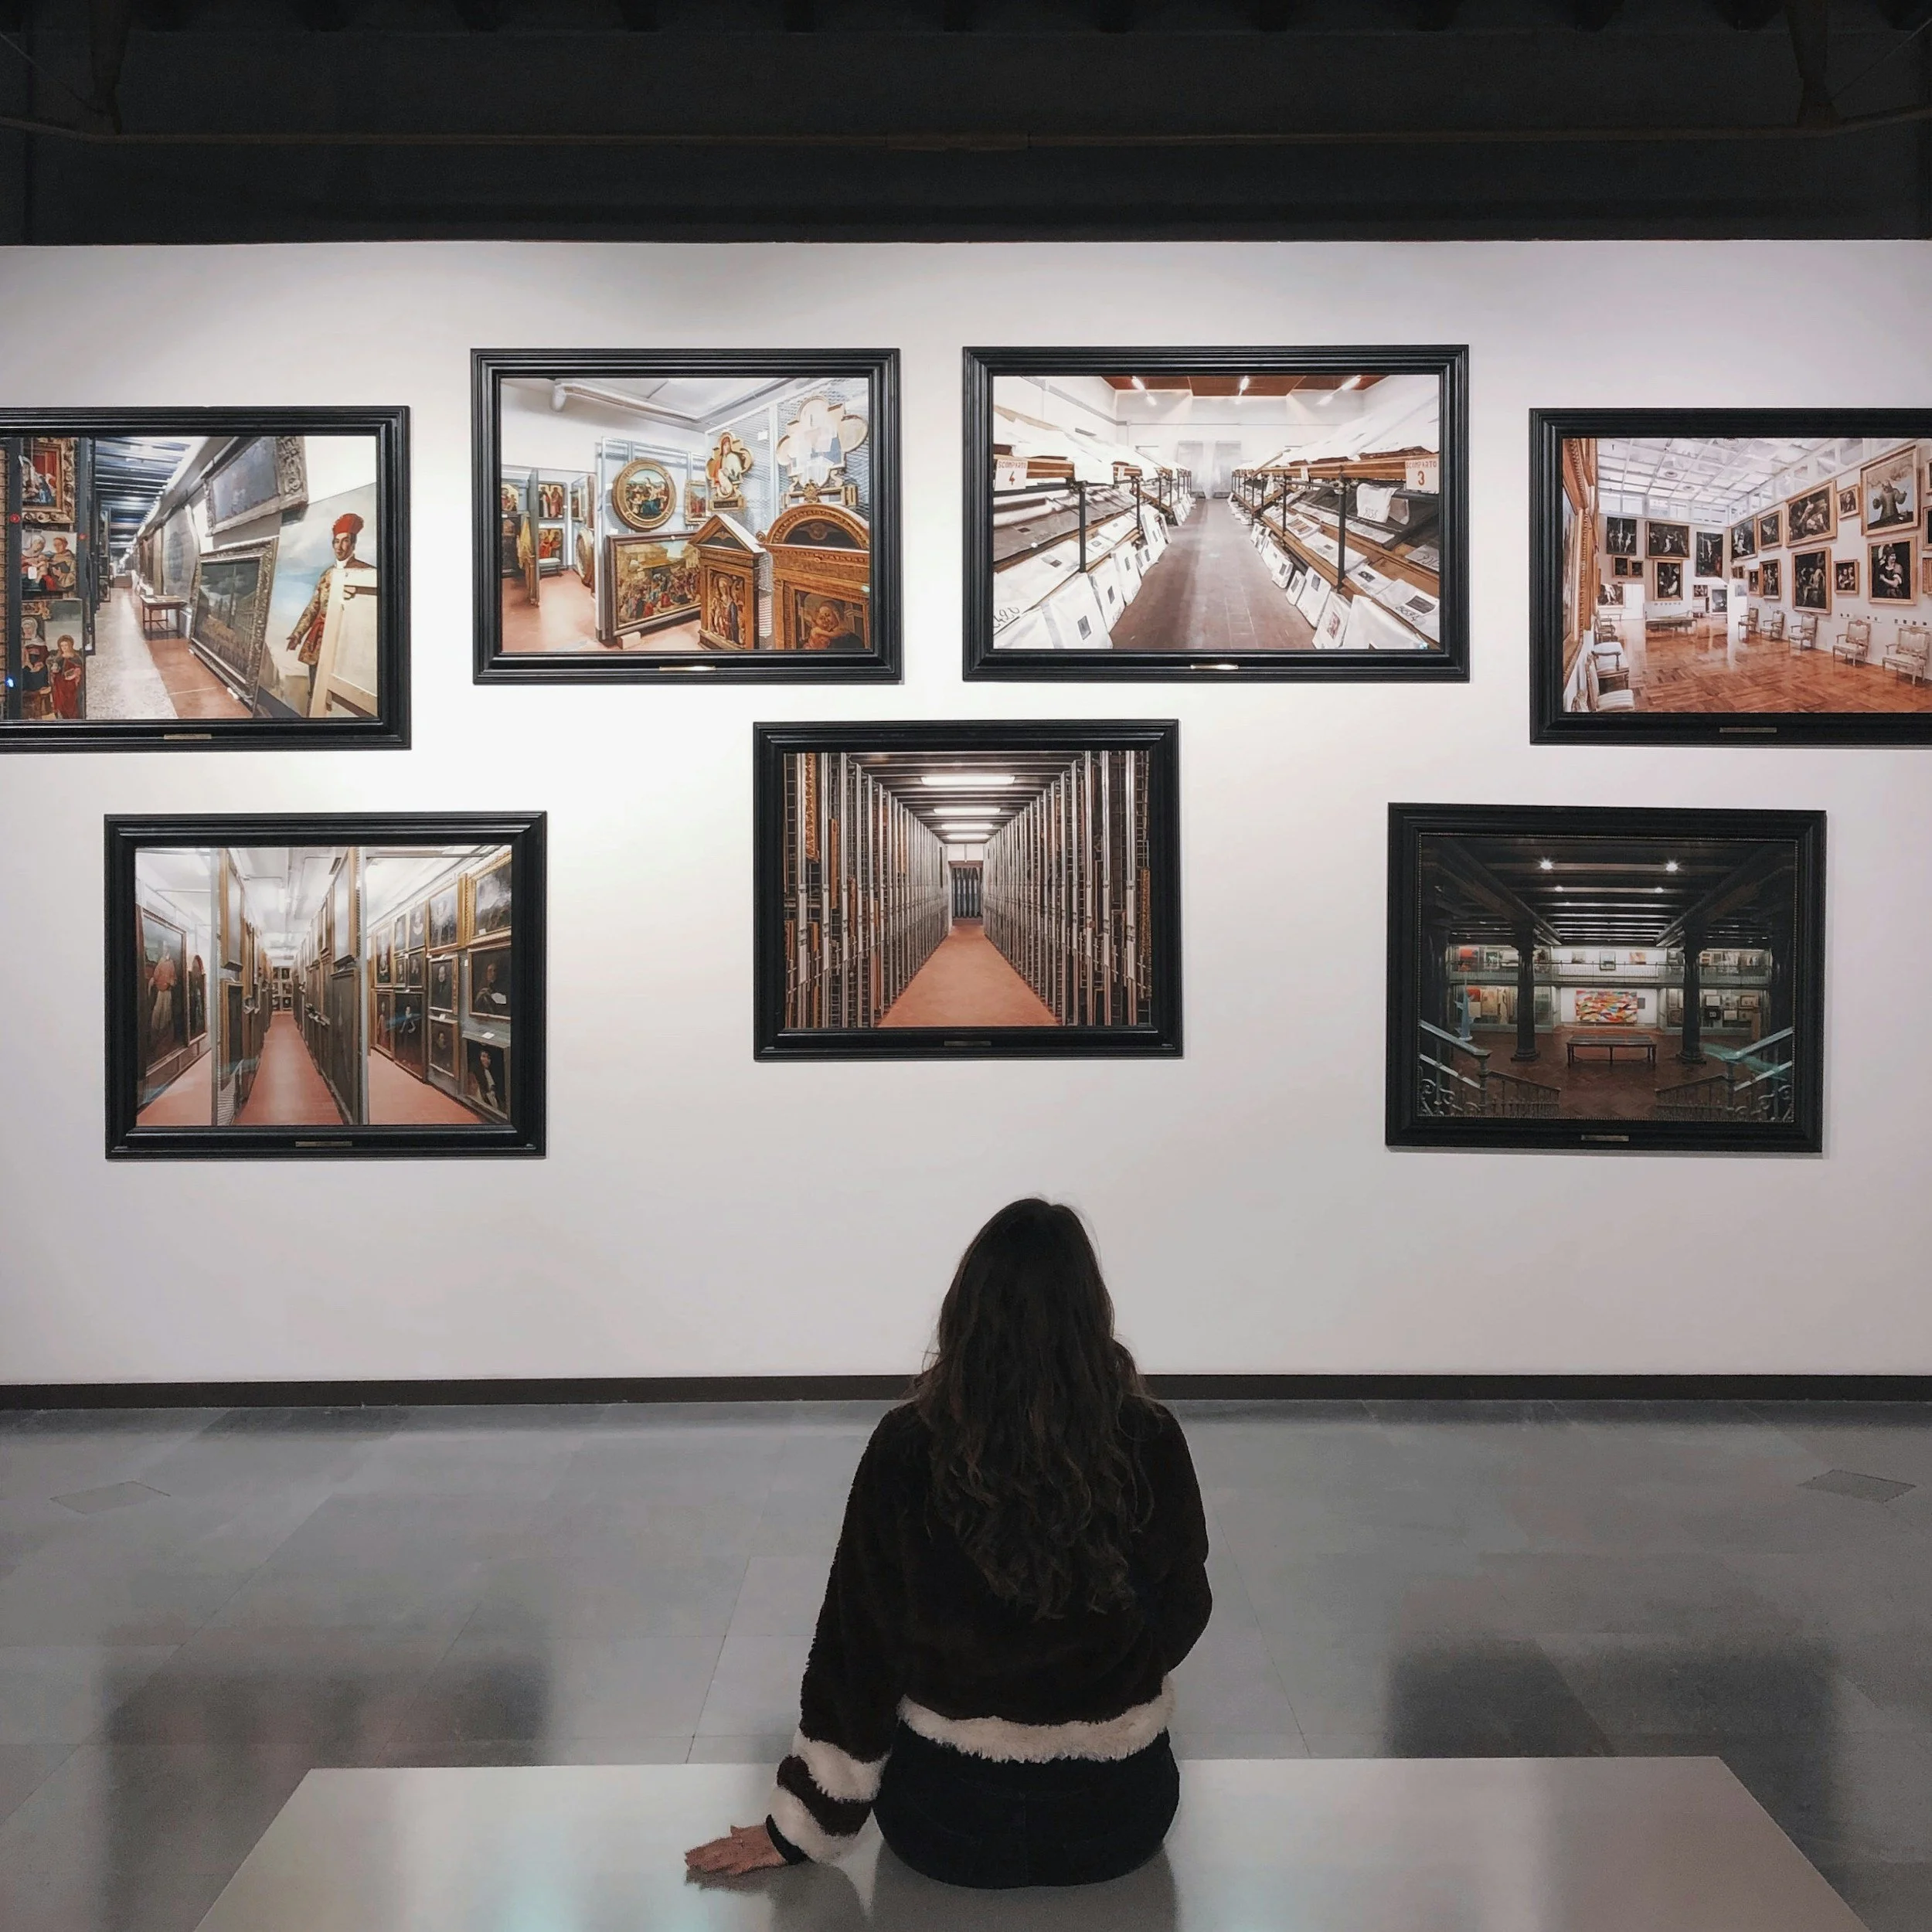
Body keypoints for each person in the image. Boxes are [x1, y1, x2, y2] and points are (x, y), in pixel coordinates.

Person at [685, 1198, 1210, 1891]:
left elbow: (858, 1650)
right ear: (1092, 1312)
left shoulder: (907, 1448)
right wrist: (1097, 1675)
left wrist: (801, 1826)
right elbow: (1185, 1607)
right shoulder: (1150, 1440)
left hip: (949, 1824)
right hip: (1116, 1820)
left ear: (966, 1311)